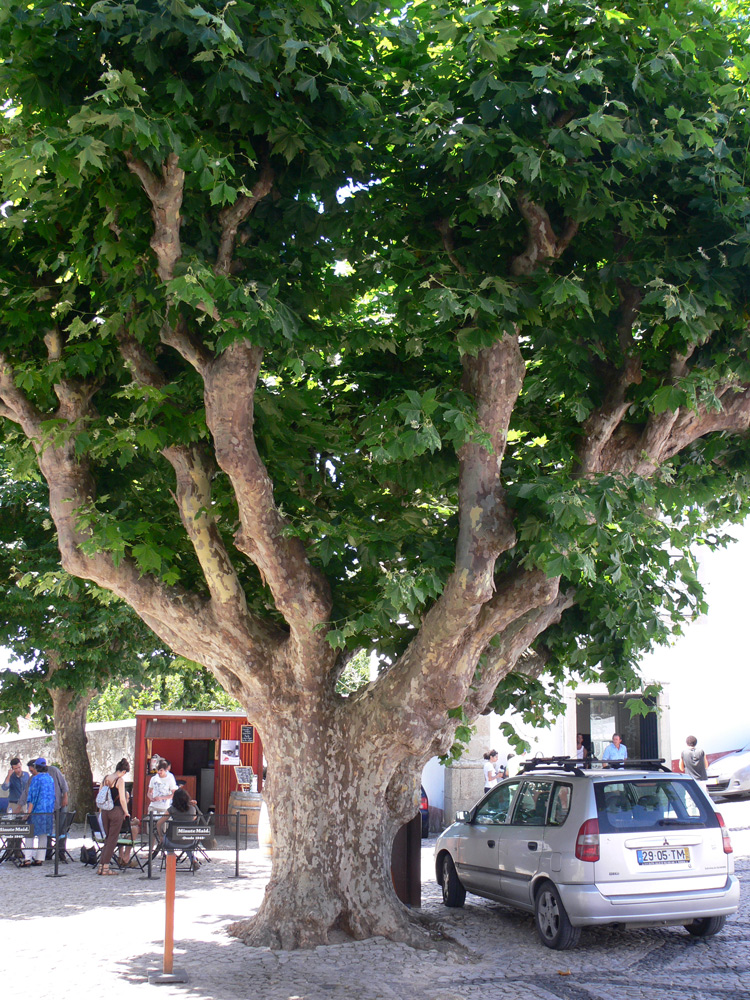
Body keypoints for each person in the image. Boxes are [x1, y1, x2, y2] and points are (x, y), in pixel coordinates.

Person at [97, 758, 131, 876]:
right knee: (113, 839)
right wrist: (126, 812)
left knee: (107, 838)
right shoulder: (119, 780)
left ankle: (101, 865)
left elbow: (101, 794)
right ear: (123, 771)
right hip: (116, 810)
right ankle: (106, 867)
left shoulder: (106, 778)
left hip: (105, 811)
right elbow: (122, 798)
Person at [157, 786, 202, 871]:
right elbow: (194, 820)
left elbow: (159, 823)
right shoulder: (192, 809)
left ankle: (171, 859)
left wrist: (160, 836)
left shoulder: (172, 809)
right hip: (189, 841)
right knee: (186, 842)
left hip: (172, 841)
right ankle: (193, 860)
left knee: (167, 842)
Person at [20, 758, 55, 866]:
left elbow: (32, 797)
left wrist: (27, 813)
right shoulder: (50, 779)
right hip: (47, 812)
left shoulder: (36, 779)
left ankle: (27, 858)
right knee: (43, 835)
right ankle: (40, 858)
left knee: (29, 835)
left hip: (36, 812)